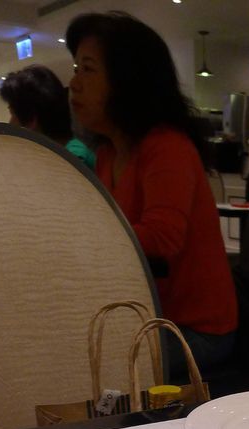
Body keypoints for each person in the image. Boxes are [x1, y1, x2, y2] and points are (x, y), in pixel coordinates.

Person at [66, 12, 237, 383]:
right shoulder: (108, 153)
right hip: (148, 316)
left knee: (78, 367)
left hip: (195, 330)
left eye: (88, 69)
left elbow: (162, 238)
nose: (74, 83)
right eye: (76, 68)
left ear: (127, 79)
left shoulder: (166, 145)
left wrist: (79, 239)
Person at [0, 65, 96, 169]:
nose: (10, 123)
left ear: (31, 119)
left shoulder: (69, 160)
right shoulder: (66, 151)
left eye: (12, 114)